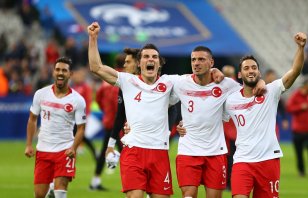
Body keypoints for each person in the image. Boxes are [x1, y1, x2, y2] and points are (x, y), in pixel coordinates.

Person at [87, 22, 223, 198]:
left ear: (159, 63)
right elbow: (96, 67)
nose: (150, 59)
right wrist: (93, 38)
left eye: (154, 57)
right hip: (134, 150)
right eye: (146, 56)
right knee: (135, 196)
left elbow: (200, 74)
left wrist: (214, 69)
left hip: (159, 152)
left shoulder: (170, 82)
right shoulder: (128, 81)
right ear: (139, 62)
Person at [174, 46, 266, 198]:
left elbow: (249, 87)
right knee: (188, 195)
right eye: (193, 60)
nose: (196, 63)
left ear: (211, 62)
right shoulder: (180, 83)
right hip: (188, 151)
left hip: (215, 152)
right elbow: (157, 94)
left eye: (201, 59)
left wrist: (261, 82)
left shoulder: (226, 85)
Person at [223, 32, 307, 198]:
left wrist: (300, 48)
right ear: (240, 75)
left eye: (254, 67)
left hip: (269, 160)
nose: (251, 70)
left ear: (259, 73)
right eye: (246, 68)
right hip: (242, 161)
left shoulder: (271, 91)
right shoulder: (230, 100)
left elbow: (295, 71)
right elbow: (212, 115)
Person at [24, 57, 86, 198]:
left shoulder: (77, 100)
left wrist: (73, 148)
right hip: (43, 150)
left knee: (61, 190)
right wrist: (28, 144)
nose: (60, 73)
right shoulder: (41, 94)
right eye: (57, 69)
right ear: (53, 72)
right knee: (39, 195)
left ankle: (55, 190)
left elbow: (81, 128)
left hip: (65, 150)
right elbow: (32, 119)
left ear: (70, 74)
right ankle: (49, 191)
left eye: (64, 70)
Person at [89, 53, 128, 190]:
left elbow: (98, 99)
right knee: (129, 155)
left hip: (108, 123)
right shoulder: (126, 81)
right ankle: (131, 183)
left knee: (105, 152)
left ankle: (95, 181)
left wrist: (106, 112)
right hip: (122, 125)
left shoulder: (106, 82)